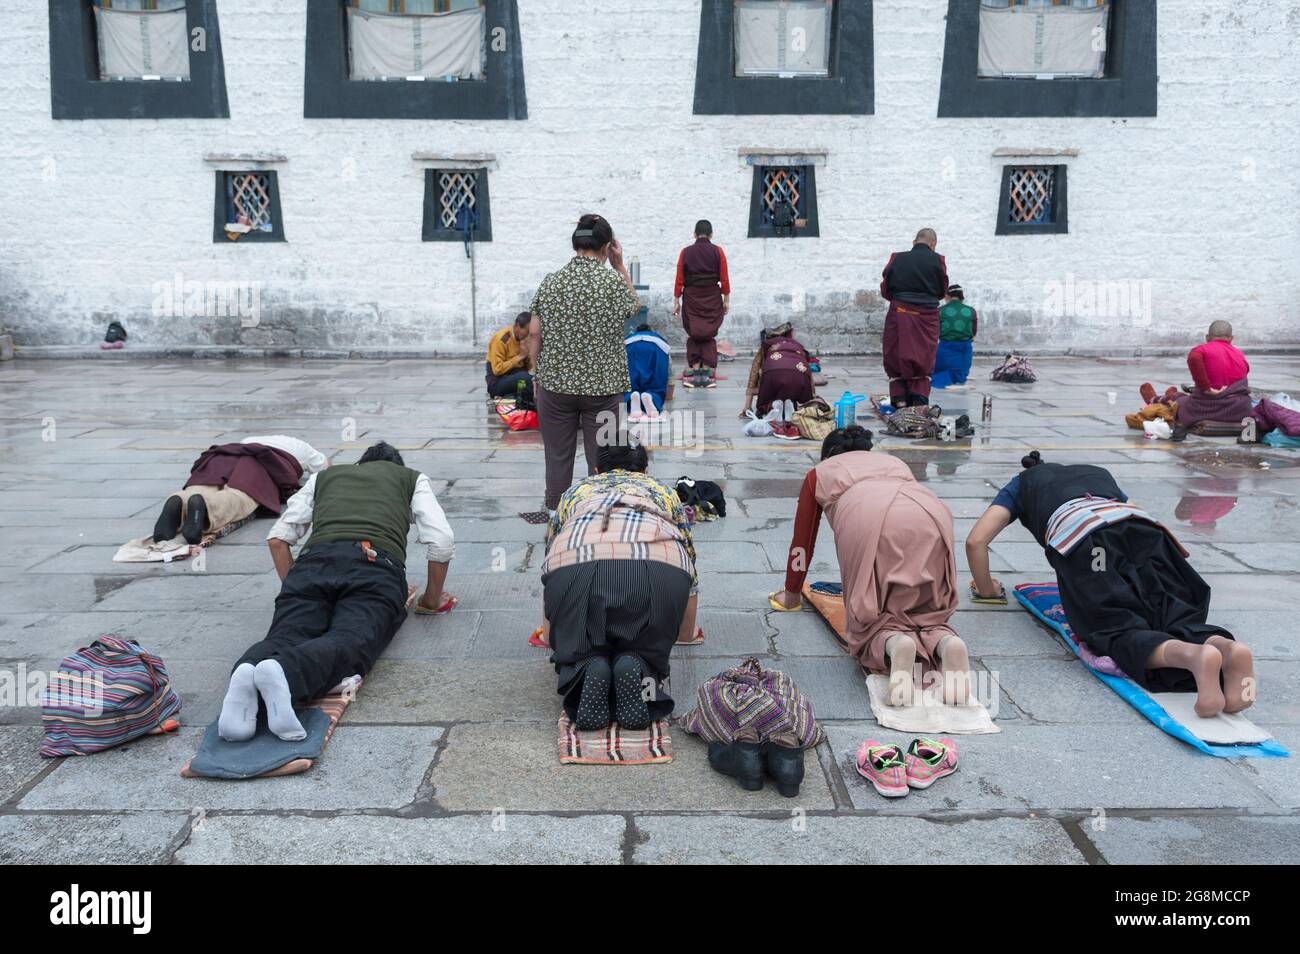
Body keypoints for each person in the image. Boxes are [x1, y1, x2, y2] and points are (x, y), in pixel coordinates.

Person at [966, 452, 1255, 718]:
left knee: (1115, 626)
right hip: (1149, 534)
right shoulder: (1096, 472)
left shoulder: (1021, 484)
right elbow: (1131, 511)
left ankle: (1196, 656)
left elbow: (976, 541)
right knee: (1168, 613)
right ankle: (1225, 647)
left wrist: (987, 589)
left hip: (1092, 545)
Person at [217, 442, 456, 742]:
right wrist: (431, 600)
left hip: (312, 566)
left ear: (359, 465)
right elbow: (442, 541)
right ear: (398, 466)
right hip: (374, 569)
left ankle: (247, 672)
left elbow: (278, 539)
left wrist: (296, 590)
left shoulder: (325, 477)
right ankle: (284, 673)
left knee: (285, 635)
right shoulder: (410, 478)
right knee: (350, 638)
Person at [770, 427, 972, 706]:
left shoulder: (820, 472)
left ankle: (893, 643)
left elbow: (802, 541)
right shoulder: (893, 462)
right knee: (926, 606)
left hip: (869, 516)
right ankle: (946, 643)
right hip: (929, 512)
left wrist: (791, 593)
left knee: (869, 618)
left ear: (827, 455)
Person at [540, 437, 699, 731]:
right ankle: (638, 664)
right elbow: (690, 566)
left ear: (597, 468)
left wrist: (556, 637)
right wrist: (684, 632)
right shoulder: (664, 492)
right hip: (658, 571)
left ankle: (586, 666)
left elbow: (550, 559)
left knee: (577, 646)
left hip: (575, 570)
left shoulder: (575, 492)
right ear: (645, 469)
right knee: (649, 643)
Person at [527, 213, 641, 511]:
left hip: (555, 387)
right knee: (605, 456)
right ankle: (602, 515)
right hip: (603, 390)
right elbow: (633, 307)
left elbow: (535, 331)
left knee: (557, 455)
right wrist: (619, 266)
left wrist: (535, 374)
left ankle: (555, 515)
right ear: (607, 246)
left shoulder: (551, 282)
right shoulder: (612, 283)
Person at [151, 435, 327, 545]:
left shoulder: (251, 439)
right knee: (239, 496)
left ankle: (180, 499)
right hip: (258, 464)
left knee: (204, 484)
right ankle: (205, 507)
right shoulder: (305, 449)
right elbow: (327, 469)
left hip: (224, 456)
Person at [1139, 321, 1251, 438]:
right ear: (1231, 338)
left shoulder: (1201, 350)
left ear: (1207, 338)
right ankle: (1170, 395)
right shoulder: (1239, 354)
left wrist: (1206, 388)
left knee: (1181, 401)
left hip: (1209, 407)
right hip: (1240, 409)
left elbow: (1193, 358)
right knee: (1184, 397)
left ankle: (1154, 399)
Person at [880, 228, 948, 407]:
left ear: (914, 242)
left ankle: (899, 400)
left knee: (896, 353)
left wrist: (902, 302)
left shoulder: (897, 258)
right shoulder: (938, 260)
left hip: (900, 312)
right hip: (927, 315)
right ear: (933, 244)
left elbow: (885, 289)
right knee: (923, 355)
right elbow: (942, 291)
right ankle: (919, 400)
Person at [673, 219, 730, 389]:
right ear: (711, 235)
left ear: (694, 234)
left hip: (692, 296)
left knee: (695, 331)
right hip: (712, 296)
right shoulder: (718, 251)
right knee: (707, 332)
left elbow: (679, 278)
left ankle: (695, 369)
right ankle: (706, 371)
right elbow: (724, 277)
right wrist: (726, 299)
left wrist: (676, 300)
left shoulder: (685, 252)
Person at [738, 322, 815, 440]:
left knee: (765, 401)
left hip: (773, 374)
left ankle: (775, 410)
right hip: (799, 375)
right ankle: (790, 410)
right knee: (796, 388)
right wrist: (812, 403)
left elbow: (753, 375)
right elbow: (809, 375)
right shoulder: (798, 346)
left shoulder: (766, 346)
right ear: (790, 336)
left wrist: (747, 407)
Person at [930, 284, 976, 389]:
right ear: (961, 297)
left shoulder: (940, 310)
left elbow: (934, 331)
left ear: (947, 296)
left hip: (945, 349)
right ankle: (957, 375)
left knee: (938, 371)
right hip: (964, 351)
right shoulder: (971, 311)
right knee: (960, 376)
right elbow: (973, 333)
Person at [624, 322, 671, 421]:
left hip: (630, 348)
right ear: (650, 331)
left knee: (629, 384)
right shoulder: (657, 337)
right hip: (657, 348)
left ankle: (632, 397)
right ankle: (651, 397)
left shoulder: (629, 337)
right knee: (657, 385)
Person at [485, 312, 533, 400]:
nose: (528, 335)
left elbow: (527, 369)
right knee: (525, 378)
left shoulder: (523, 339)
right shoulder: (501, 339)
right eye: (528, 331)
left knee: (533, 381)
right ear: (517, 326)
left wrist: (528, 355)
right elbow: (497, 369)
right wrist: (520, 356)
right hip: (497, 382)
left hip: (515, 376)